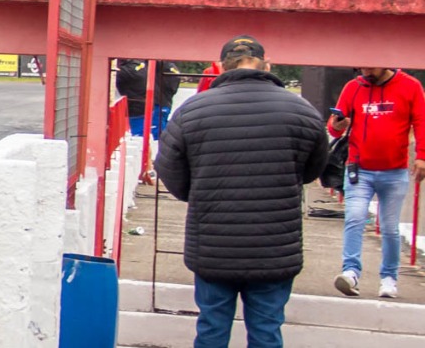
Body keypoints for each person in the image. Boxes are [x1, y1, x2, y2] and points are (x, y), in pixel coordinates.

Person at [156, 35, 327, 348]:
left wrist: (198, 193)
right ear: (267, 65)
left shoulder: (192, 111)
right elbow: (313, 170)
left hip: (213, 245)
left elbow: (168, 168)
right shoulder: (302, 111)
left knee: (211, 330)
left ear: (220, 67)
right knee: (266, 331)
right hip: (274, 248)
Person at [328, 66, 425, 299]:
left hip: (394, 170)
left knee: (390, 227)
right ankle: (350, 272)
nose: (365, 70)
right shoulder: (353, 87)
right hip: (359, 169)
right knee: (354, 217)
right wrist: (338, 124)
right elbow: (334, 126)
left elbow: (421, 122)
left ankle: (389, 277)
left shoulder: (410, 86)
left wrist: (422, 156)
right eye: (361, 66)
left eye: (370, 66)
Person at [114, 58, 182, 137]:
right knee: (158, 132)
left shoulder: (157, 65)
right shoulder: (172, 69)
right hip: (164, 104)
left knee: (153, 133)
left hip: (155, 104)